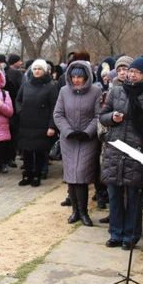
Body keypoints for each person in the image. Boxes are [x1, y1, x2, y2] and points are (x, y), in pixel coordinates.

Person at [101, 58, 143, 245]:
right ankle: (115, 233)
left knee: (134, 196)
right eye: (130, 71)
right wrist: (112, 117)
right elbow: (102, 116)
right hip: (115, 148)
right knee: (114, 194)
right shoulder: (116, 90)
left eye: (136, 72)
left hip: (136, 151)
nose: (131, 74)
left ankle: (131, 235)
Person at [52, 60, 101, 225]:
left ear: (86, 76)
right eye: (73, 77)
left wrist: (88, 132)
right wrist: (67, 131)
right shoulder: (64, 91)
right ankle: (75, 211)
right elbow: (58, 114)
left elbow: (98, 115)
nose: (76, 80)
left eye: (80, 77)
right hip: (69, 139)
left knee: (82, 175)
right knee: (71, 177)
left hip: (87, 139)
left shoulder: (95, 91)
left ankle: (84, 212)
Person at [15, 59, 58, 186]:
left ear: (44, 71)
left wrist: (52, 126)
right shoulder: (26, 84)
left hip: (42, 124)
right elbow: (18, 100)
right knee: (27, 152)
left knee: (39, 151)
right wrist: (20, 111)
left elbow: (55, 107)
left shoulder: (51, 86)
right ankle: (27, 175)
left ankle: (37, 176)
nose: (37, 71)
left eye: (39, 69)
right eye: (35, 69)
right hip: (26, 123)